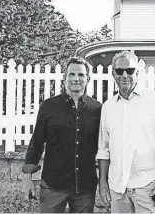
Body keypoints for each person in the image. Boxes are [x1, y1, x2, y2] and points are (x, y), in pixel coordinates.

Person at [96, 50, 155, 213]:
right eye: (119, 71)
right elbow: (103, 150)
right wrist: (102, 183)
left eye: (130, 70)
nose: (124, 75)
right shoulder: (108, 107)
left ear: (137, 72)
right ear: (113, 74)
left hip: (147, 186)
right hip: (117, 187)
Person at [22, 57, 101, 213]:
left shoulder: (97, 109)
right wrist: (27, 178)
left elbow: (104, 146)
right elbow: (36, 142)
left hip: (85, 188)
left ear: (88, 79)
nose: (76, 79)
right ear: (65, 77)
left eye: (81, 75)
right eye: (71, 74)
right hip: (53, 186)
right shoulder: (49, 106)